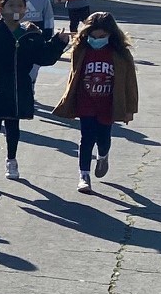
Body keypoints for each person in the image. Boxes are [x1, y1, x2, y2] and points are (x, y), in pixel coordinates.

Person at [0, 0, 69, 190]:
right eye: (11, 6)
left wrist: (57, 43)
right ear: (1, 9)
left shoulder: (30, 34)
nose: (16, 10)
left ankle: (11, 160)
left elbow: (44, 57)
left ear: (25, 10)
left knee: (13, 126)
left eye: (20, 6)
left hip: (20, 88)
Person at [53, 12, 139, 194]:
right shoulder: (81, 50)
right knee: (86, 138)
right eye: (92, 36)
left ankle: (103, 155)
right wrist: (70, 101)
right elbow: (73, 77)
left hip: (108, 103)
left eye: (101, 36)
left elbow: (130, 82)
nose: (96, 40)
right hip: (87, 101)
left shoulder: (120, 54)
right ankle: (84, 175)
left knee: (104, 138)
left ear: (111, 35)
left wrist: (130, 109)